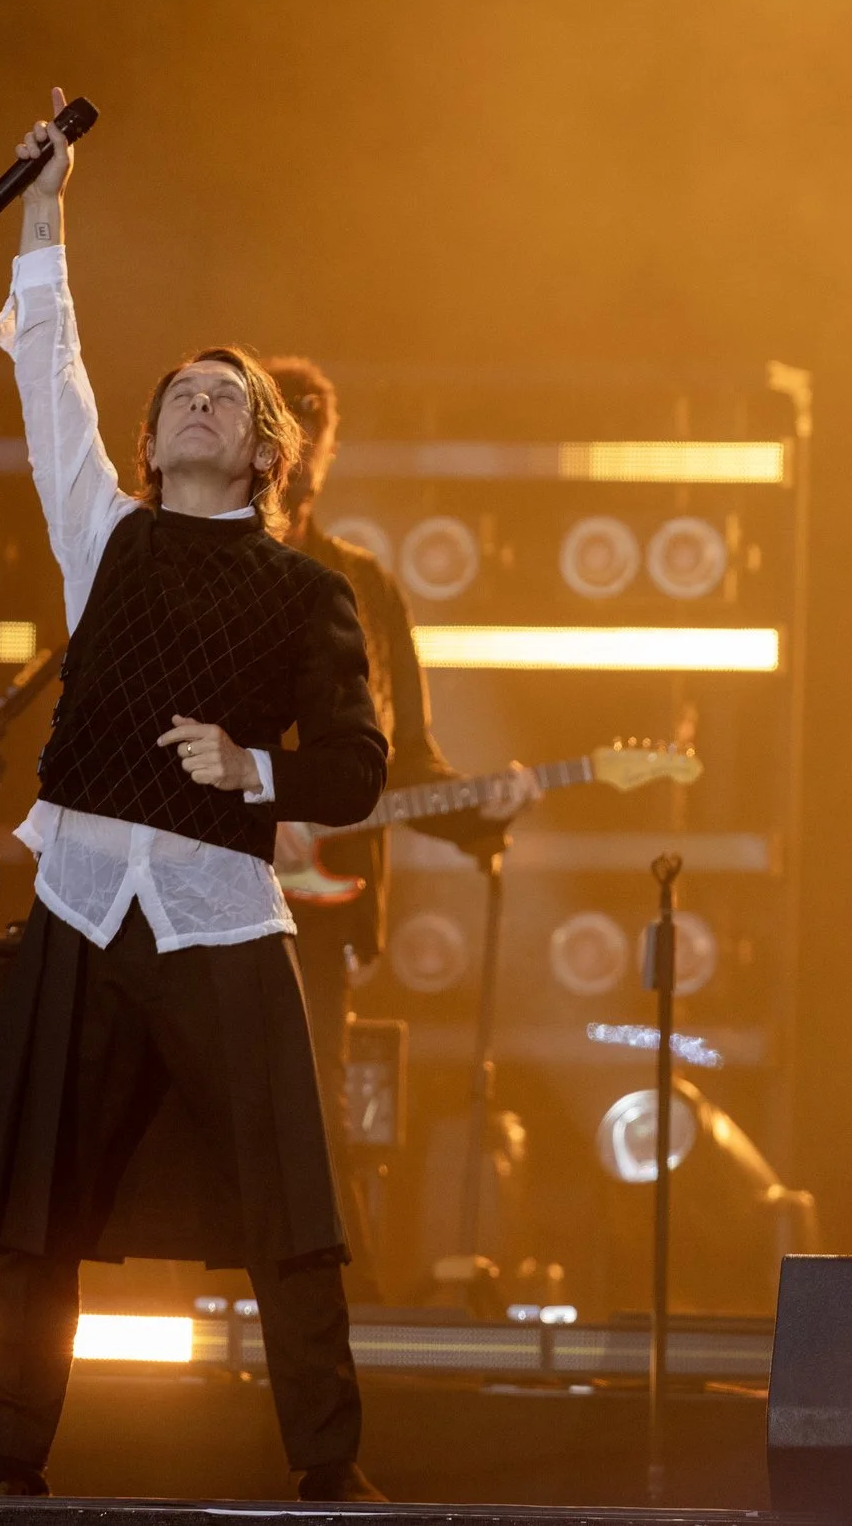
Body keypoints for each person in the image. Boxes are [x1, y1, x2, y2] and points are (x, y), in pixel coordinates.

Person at [0, 92, 391, 1502]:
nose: (199, 397)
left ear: (266, 454)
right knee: (28, 1201)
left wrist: (252, 771)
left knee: (290, 1207)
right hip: (81, 892)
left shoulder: (314, 591)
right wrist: (51, 205)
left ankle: (330, 1469)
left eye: (229, 397)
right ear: (148, 441)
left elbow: (357, 770)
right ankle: (9, 1459)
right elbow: (50, 373)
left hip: (215, 909)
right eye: (180, 389)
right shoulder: (104, 534)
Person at [261, 356, 533, 1301]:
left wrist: (476, 814)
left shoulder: (365, 590)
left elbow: (404, 759)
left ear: (324, 458)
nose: (295, 462)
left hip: (316, 908)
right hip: (184, 882)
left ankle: (350, 1319)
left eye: (310, 443)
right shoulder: (185, 565)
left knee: (313, 1110)